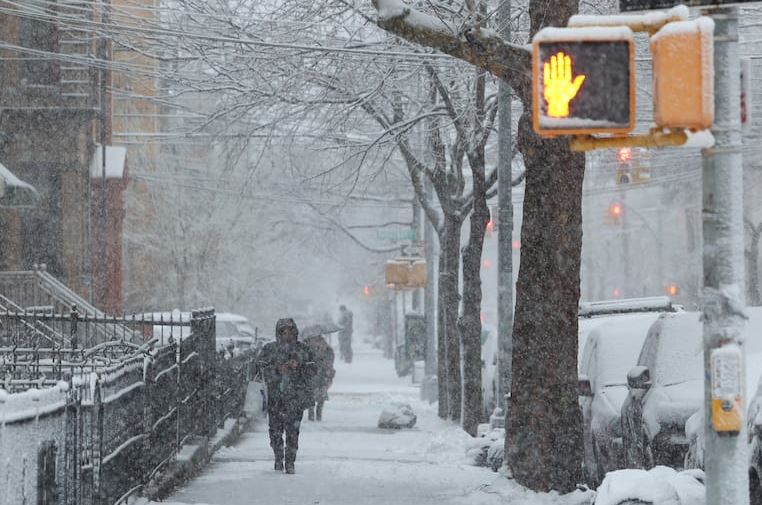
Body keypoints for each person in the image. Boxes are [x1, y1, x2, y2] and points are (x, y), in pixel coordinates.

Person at [258, 318, 316, 474]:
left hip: (296, 398)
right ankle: (278, 457)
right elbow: (261, 369)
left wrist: (299, 366)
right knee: (275, 430)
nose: (287, 335)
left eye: (290, 331)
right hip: (276, 398)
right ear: (278, 333)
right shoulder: (269, 349)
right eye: (283, 332)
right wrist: (277, 369)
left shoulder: (303, 350)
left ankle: (290, 461)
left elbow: (313, 371)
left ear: (295, 332)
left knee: (293, 432)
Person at [302, 326, 336, 421]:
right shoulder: (307, 346)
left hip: (321, 372)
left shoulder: (324, 348)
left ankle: (317, 413)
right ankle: (313, 413)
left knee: (319, 392)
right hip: (313, 372)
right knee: (313, 392)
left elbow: (329, 359)